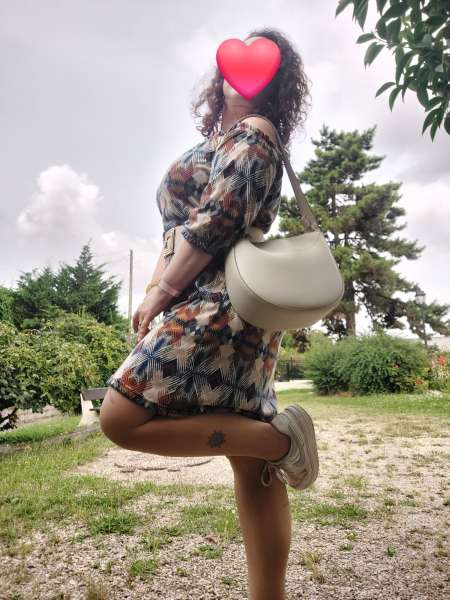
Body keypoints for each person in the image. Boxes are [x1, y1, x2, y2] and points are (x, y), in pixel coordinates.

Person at [99, 28, 317, 600]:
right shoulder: (222, 140)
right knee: (248, 463)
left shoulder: (256, 133)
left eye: (260, 67)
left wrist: (165, 289)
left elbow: (217, 222)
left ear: (275, 84)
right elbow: (178, 233)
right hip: (220, 304)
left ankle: (280, 443)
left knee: (120, 418)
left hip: (223, 304)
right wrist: (154, 290)